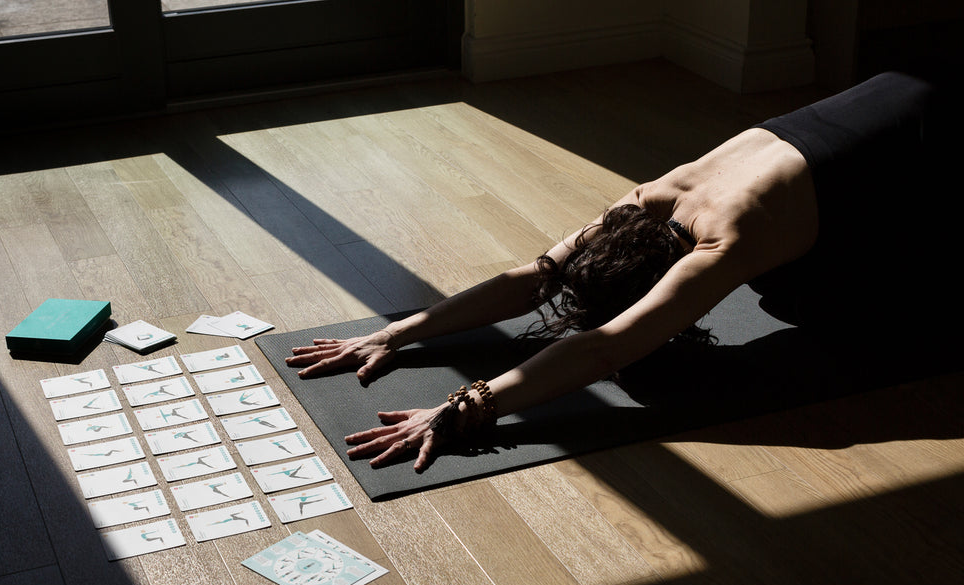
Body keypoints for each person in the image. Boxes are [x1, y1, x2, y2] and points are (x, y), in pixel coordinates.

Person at [286, 71, 955, 472]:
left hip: (935, 138)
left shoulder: (726, 238)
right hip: (889, 93)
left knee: (854, 316)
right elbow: (533, 276)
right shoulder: (646, 201)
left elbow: (604, 346)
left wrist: (460, 408)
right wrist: (398, 334)